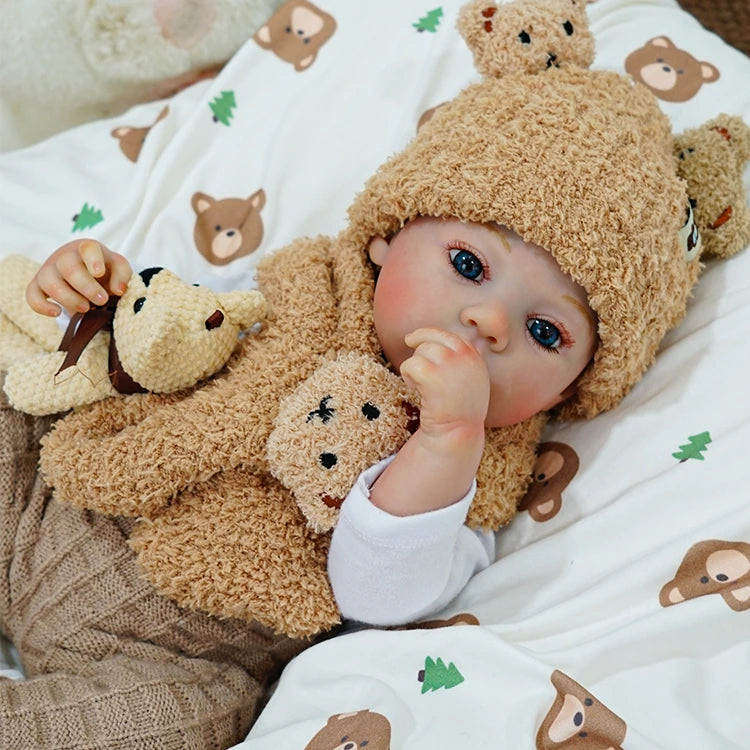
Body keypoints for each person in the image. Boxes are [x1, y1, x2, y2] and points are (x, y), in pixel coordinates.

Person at [26, 214, 590, 626]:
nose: (489, 320)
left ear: (566, 391)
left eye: (545, 331)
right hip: (49, 498)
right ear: (387, 238)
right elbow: (158, 344)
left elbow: (374, 599)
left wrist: (447, 441)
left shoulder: (479, 477)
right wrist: (91, 297)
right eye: (468, 264)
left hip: (182, 639)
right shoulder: (307, 290)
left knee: (153, 727)